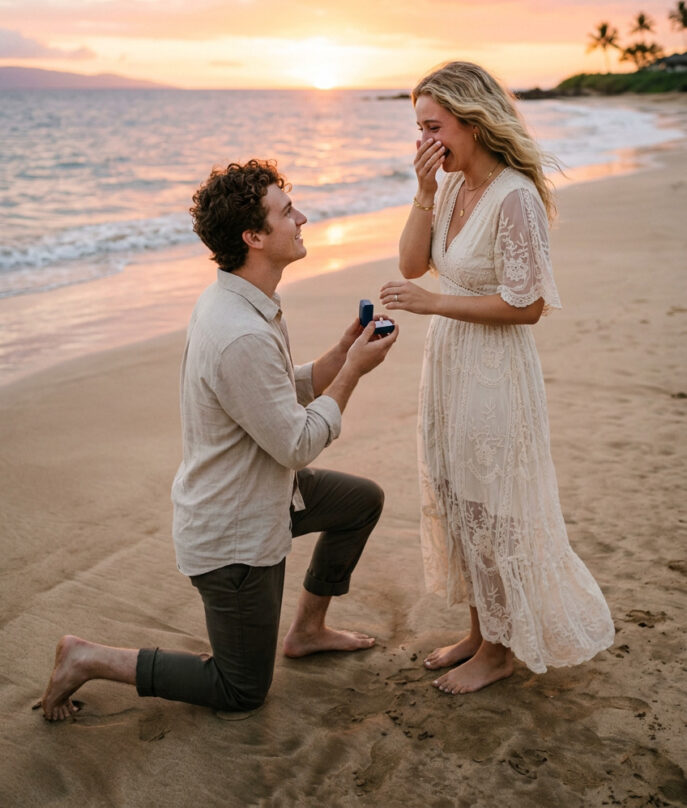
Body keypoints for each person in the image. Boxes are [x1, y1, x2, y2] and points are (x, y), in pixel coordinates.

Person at [38, 159, 398, 721]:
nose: (301, 217)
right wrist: (352, 372)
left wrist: (339, 352)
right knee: (241, 690)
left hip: (265, 495)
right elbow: (297, 446)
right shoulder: (240, 332)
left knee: (361, 501)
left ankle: (306, 630)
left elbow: (273, 394)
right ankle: (88, 657)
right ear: (253, 237)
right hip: (234, 534)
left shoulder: (241, 300)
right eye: (286, 212)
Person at [380, 61, 614, 695]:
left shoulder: (516, 196)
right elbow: (411, 262)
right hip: (450, 364)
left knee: (496, 509)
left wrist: (435, 305)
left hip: (494, 369)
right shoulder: (451, 186)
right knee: (461, 501)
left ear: (472, 121)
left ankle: (502, 651)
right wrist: (424, 193)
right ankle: (482, 634)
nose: (424, 141)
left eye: (433, 127)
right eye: (418, 129)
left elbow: (527, 305)